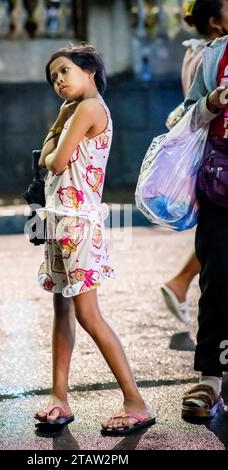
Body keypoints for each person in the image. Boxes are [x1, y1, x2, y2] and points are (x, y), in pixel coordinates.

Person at [34, 44, 155, 435]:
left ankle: (135, 401)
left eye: (65, 71)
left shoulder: (87, 108)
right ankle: (59, 398)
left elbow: (52, 160)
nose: (59, 81)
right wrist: (58, 129)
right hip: (60, 222)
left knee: (87, 315)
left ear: (89, 71)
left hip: (78, 225)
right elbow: (48, 158)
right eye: (54, 76)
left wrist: (56, 133)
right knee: (62, 312)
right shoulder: (74, 109)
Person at [161, 0, 228, 325]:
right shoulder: (212, 53)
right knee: (217, 252)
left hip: (211, 161)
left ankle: (180, 284)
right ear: (216, 23)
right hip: (215, 159)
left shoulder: (194, 51)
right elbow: (193, 107)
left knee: (217, 249)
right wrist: (212, 102)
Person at [179, 0, 228, 418]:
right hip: (221, 183)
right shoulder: (213, 55)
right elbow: (183, 116)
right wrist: (211, 102)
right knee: (218, 279)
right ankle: (212, 378)